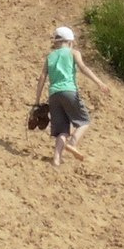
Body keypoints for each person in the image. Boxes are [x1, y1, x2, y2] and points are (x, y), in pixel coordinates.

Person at [41, 25, 111, 167]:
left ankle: (56, 160)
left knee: (61, 130)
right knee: (84, 121)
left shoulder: (50, 57)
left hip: (53, 95)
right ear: (70, 41)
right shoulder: (73, 53)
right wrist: (99, 83)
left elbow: (42, 77)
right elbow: (83, 68)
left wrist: (37, 101)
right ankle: (72, 143)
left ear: (56, 42)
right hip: (69, 91)